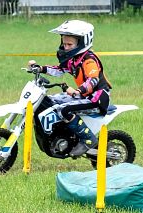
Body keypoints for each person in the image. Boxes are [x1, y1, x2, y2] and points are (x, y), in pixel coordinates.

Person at [27, 20, 112, 157]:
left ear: (82, 42)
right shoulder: (73, 59)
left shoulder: (89, 59)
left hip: (97, 98)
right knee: (49, 100)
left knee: (64, 109)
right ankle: (63, 134)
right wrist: (40, 68)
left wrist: (79, 91)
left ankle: (88, 139)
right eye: (64, 43)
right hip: (83, 95)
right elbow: (59, 70)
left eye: (69, 44)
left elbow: (93, 79)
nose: (65, 47)